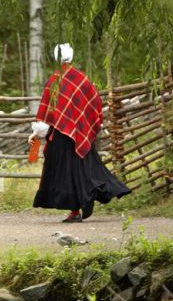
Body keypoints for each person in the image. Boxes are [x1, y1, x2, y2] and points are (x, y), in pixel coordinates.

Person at [28, 43, 131, 222]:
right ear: (71, 57)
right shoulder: (82, 79)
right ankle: (84, 203)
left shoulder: (55, 80)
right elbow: (95, 101)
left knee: (66, 174)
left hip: (61, 137)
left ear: (56, 57)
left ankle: (80, 206)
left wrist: (36, 133)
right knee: (86, 170)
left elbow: (48, 112)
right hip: (80, 135)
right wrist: (84, 126)